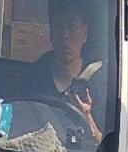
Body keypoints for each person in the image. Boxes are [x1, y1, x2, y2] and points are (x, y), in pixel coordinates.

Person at [35, 0, 103, 143]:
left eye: (72, 27)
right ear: (51, 33)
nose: (65, 35)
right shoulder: (35, 75)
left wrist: (86, 116)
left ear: (85, 33)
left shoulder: (99, 83)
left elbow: (106, 145)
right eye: (59, 27)